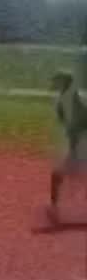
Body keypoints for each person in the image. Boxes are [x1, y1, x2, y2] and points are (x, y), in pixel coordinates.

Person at [50, 72, 84, 224]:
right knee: (58, 176)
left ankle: (55, 210)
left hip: (80, 146)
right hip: (78, 144)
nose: (56, 83)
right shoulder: (65, 99)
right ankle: (55, 209)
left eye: (59, 81)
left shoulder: (71, 99)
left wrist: (74, 147)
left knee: (57, 176)